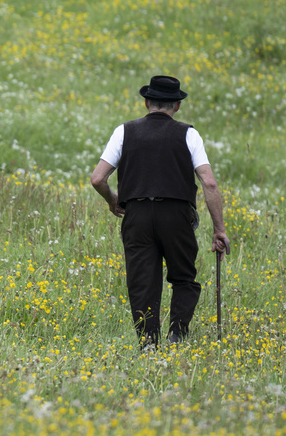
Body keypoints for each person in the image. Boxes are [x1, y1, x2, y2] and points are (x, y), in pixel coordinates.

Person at [90, 75, 229, 348]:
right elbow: (209, 183)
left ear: (146, 102)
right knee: (183, 277)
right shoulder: (189, 134)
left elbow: (97, 178)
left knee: (142, 282)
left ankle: (148, 344)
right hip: (176, 215)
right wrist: (219, 229)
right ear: (177, 105)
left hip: (137, 215)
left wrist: (112, 200)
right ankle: (176, 335)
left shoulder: (124, 131)